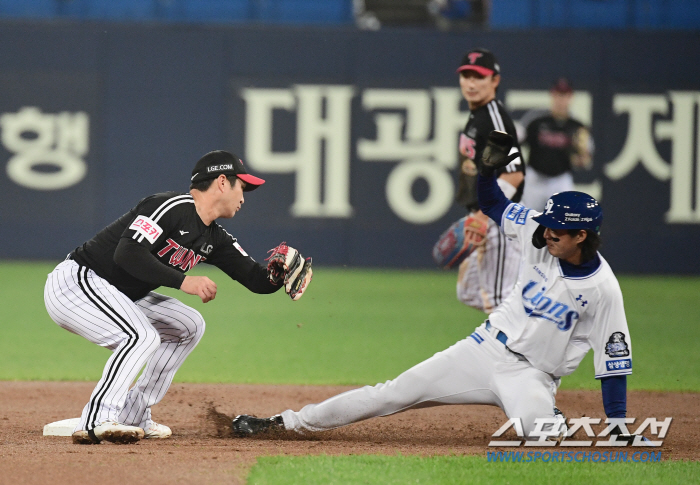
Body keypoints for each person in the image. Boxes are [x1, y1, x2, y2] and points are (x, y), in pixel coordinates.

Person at [231, 132, 633, 443]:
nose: (546, 233)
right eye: (545, 224)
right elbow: (493, 204)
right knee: (389, 394)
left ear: (581, 236)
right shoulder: (538, 232)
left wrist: (617, 426)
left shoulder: (603, 290)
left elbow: (614, 365)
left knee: (543, 439)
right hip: (483, 348)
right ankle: (285, 423)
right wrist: (489, 172)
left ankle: (550, 417)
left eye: (558, 230)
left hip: (532, 376)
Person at [44, 150, 312, 445]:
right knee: (140, 336)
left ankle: (132, 414)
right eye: (241, 186)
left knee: (188, 324)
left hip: (118, 293)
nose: (244, 196)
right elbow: (127, 253)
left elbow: (254, 279)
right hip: (77, 282)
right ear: (222, 182)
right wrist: (184, 281)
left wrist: (277, 275)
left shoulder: (215, 237)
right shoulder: (170, 207)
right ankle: (97, 419)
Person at [433, 47, 525, 314]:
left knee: (499, 304)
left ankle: (524, 346)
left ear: (495, 80)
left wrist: (485, 217)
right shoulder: (478, 115)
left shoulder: (494, 118)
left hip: (498, 221)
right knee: (469, 292)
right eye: (466, 76)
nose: (471, 83)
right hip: (482, 216)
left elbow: (514, 173)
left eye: (479, 77)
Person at [520, 78, 594, 212]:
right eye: (558, 94)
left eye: (565, 95)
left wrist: (581, 157)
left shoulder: (577, 126)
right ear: (552, 95)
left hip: (560, 180)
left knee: (564, 222)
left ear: (571, 97)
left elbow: (585, 160)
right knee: (527, 220)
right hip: (535, 178)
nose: (561, 99)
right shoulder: (536, 120)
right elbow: (516, 141)